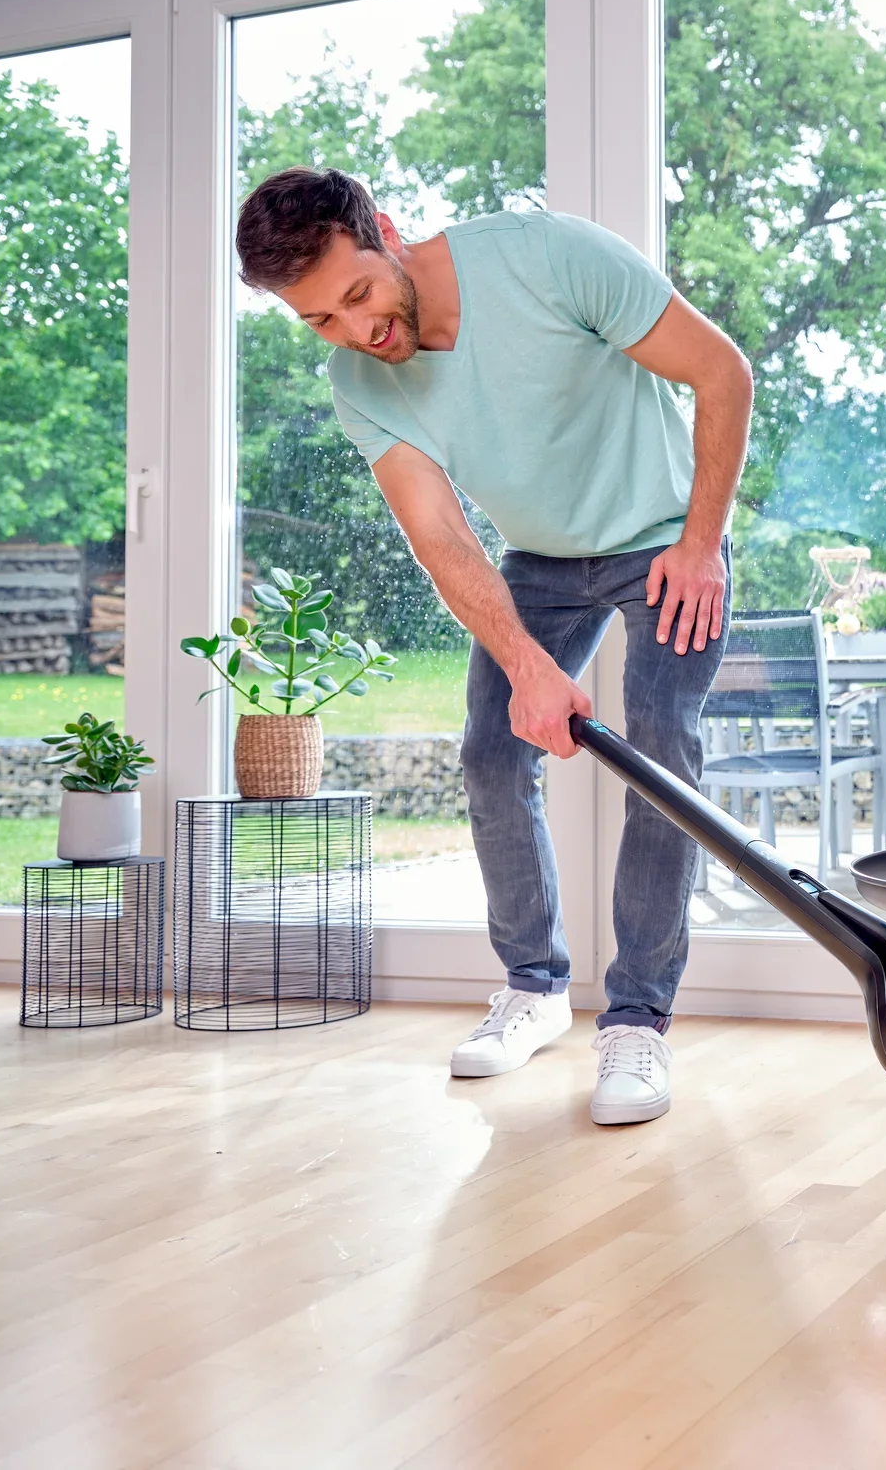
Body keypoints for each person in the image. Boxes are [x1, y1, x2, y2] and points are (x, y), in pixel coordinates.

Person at [233, 167, 752, 1125]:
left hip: (662, 540)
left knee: (662, 750)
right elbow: (440, 537)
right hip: (542, 562)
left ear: (385, 231)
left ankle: (636, 1020)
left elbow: (722, 371)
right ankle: (535, 985)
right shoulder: (360, 381)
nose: (356, 333)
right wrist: (526, 664)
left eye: (358, 295)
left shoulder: (546, 257)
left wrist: (703, 543)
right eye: (319, 322)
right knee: (489, 751)